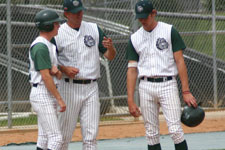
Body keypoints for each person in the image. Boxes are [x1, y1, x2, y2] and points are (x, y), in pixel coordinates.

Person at [126, 0, 198, 150]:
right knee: (151, 134)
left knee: (175, 130)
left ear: (154, 13)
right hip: (145, 86)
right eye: (140, 17)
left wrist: (186, 91)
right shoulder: (135, 38)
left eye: (145, 16)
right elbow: (132, 69)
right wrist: (131, 100)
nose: (142, 20)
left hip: (167, 83)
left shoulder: (169, 30)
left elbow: (180, 61)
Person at [51, 0, 116, 149]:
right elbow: (50, 61)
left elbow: (110, 56)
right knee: (63, 136)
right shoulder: (58, 32)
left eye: (81, 11)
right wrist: (64, 68)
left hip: (91, 87)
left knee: (91, 137)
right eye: (75, 12)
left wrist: (111, 48)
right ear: (66, 14)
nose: (80, 14)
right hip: (69, 87)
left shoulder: (94, 28)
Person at [29, 9, 66, 150]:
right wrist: (59, 99)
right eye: (56, 24)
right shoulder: (41, 46)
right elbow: (45, 76)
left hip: (43, 91)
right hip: (43, 92)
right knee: (56, 139)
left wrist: (53, 69)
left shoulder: (47, 44)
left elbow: (45, 69)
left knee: (44, 137)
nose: (59, 26)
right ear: (48, 26)